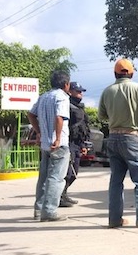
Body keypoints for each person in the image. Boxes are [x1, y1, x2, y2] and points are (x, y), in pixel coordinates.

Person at [99, 58, 138, 228]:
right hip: (132, 138)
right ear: (132, 73)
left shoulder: (107, 91)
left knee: (116, 181)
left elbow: (102, 116)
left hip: (113, 138)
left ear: (115, 73)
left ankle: (114, 219)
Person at [27, 70, 72, 222]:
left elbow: (31, 114)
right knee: (56, 178)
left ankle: (38, 210)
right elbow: (59, 117)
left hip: (45, 144)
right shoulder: (62, 97)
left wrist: (39, 132)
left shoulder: (44, 97)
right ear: (66, 84)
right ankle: (50, 211)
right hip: (58, 144)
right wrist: (58, 138)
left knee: (44, 178)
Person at [59, 82, 91, 207]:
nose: (80, 94)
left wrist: (84, 144)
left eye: (81, 91)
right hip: (69, 142)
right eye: (78, 91)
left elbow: (84, 127)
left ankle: (64, 194)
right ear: (70, 91)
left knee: (74, 173)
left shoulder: (79, 107)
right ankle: (60, 196)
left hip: (78, 143)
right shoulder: (67, 105)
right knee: (68, 172)